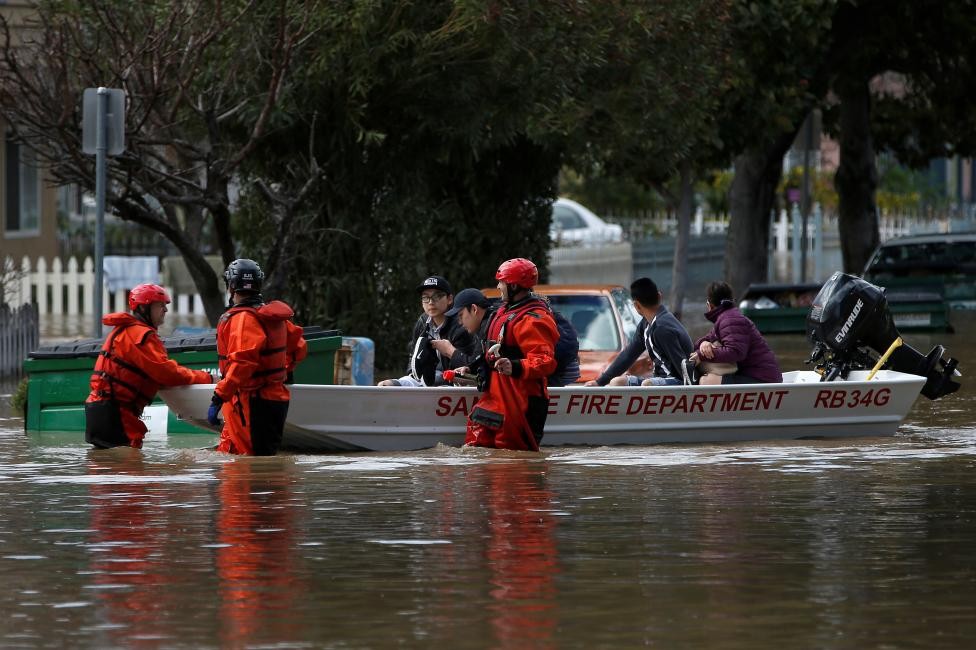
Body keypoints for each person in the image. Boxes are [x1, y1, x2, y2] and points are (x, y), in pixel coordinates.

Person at [85, 283, 213, 449]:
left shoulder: (123, 331)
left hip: (100, 409)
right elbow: (167, 374)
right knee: (130, 466)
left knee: (107, 465)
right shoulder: (140, 335)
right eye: (160, 305)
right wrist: (207, 377)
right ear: (145, 308)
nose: (165, 310)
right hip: (116, 413)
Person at [208, 259, 307, 455]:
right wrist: (281, 373)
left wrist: (219, 396)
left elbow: (242, 364)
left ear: (231, 286)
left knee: (253, 467)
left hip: (251, 403)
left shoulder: (243, 319)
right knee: (234, 454)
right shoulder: (272, 317)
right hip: (271, 399)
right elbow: (299, 348)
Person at [458, 258, 559, 451]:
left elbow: (546, 362)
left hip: (521, 401)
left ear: (513, 286)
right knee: (475, 447)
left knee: (513, 463)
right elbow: (492, 350)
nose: (498, 286)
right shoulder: (503, 311)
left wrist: (515, 366)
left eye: (501, 283)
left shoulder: (533, 319)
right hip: (495, 397)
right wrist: (471, 367)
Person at [585, 277, 692, 387]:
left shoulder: (662, 328)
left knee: (648, 384)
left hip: (677, 381)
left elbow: (683, 366)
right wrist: (599, 382)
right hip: (658, 381)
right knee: (617, 382)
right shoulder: (646, 324)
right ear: (659, 296)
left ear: (636, 305)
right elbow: (629, 354)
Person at [378, 275, 476, 386]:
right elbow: (413, 355)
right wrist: (413, 374)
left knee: (431, 382)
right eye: (425, 297)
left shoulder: (460, 325)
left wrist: (449, 351)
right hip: (425, 379)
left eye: (437, 296)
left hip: (452, 380)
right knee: (387, 384)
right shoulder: (422, 321)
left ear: (449, 299)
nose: (430, 302)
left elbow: (466, 367)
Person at [693, 281, 782, 385]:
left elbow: (736, 352)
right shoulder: (727, 317)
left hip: (763, 379)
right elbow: (705, 339)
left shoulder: (730, 320)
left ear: (709, 305)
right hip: (755, 375)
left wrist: (701, 356)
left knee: (706, 382)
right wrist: (704, 344)